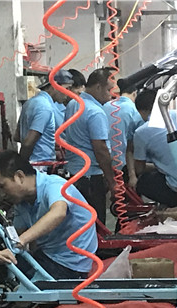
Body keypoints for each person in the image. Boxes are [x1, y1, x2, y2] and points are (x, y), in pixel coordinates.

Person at [0, 150, 98, 308]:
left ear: (19, 176)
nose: (1, 193)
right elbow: (17, 234)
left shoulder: (54, 185)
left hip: (69, 266)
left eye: (2, 186)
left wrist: (21, 241)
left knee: (3, 305)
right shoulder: (24, 202)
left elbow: (58, 212)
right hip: (46, 257)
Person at [62, 67, 117, 224]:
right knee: (96, 224)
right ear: (98, 87)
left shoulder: (73, 104)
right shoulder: (95, 112)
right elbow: (100, 150)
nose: (111, 95)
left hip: (73, 174)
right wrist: (111, 181)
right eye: (109, 90)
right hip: (91, 177)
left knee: (79, 223)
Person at [17, 69, 74, 165]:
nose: (69, 93)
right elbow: (28, 142)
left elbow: (17, 136)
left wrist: (50, 142)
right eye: (67, 88)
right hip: (40, 165)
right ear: (54, 86)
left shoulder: (29, 103)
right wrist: (22, 165)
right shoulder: (45, 108)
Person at [104, 81, 143, 184]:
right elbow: (139, 139)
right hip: (125, 164)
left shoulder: (106, 106)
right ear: (134, 93)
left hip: (105, 161)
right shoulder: (135, 110)